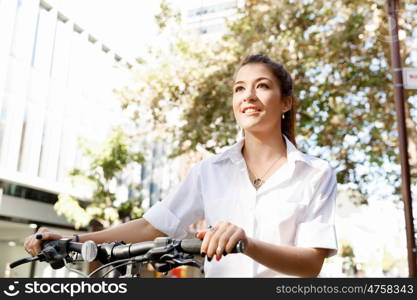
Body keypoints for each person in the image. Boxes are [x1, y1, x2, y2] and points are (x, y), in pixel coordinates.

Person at [24, 54, 338, 277]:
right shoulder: (209, 170)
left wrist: (246, 243)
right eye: (239, 88)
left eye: (262, 86)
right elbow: (151, 226)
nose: (248, 95)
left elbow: (310, 264)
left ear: (285, 103)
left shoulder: (315, 173)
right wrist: (73, 241)